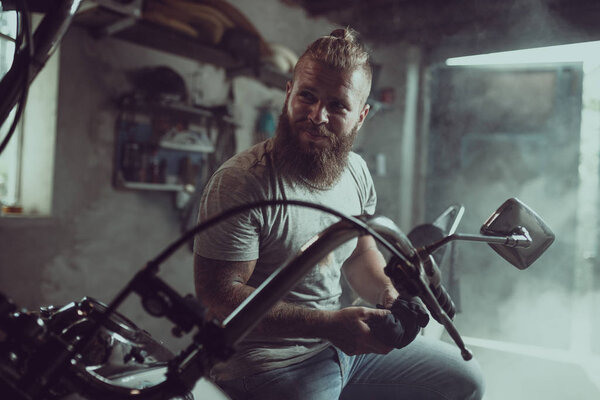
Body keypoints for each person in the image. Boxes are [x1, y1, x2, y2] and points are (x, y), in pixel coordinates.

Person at [194, 28, 484, 400]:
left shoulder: (355, 172)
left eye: (337, 105)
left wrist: (389, 297)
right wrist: (328, 325)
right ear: (288, 94)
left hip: (338, 348)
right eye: (308, 97)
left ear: (361, 116)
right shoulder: (242, 182)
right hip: (265, 364)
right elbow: (219, 295)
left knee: (465, 379)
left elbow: (361, 255)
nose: (317, 115)